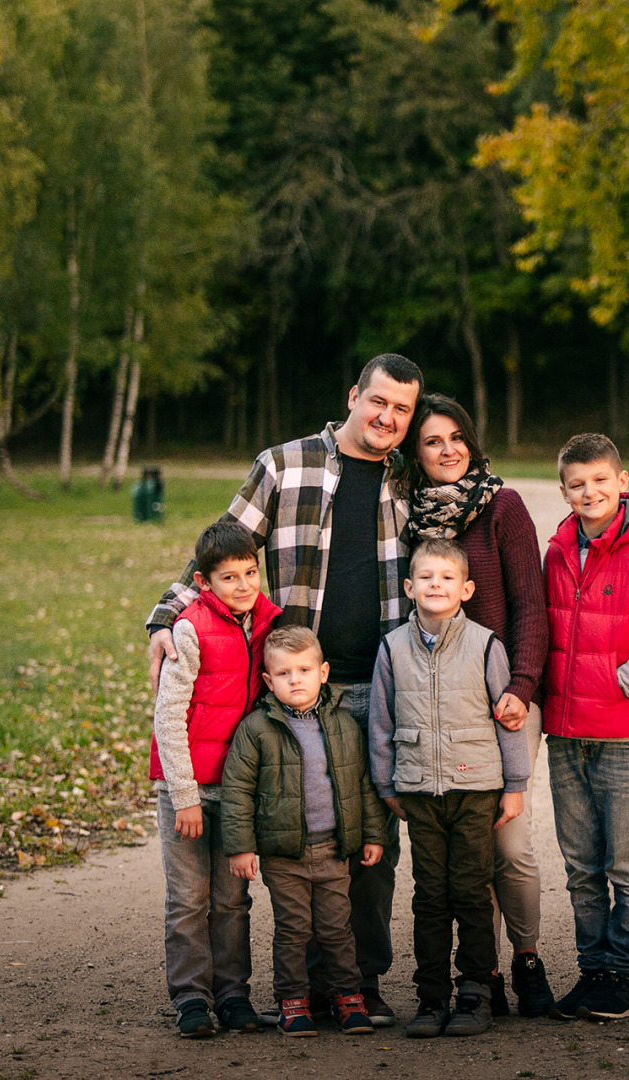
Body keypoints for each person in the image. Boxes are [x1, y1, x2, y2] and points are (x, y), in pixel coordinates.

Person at [146, 352, 422, 1026]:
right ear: (354, 395)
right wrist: (164, 615)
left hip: (375, 687)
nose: (387, 418)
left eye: (402, 410)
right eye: (378, 401)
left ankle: (357, 984)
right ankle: (280, 985)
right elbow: (222, 551)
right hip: (301, 692)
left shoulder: (409, 483)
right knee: (295, 846)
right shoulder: (285, 464)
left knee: (368, 852)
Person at [402, 394, 554, 1017]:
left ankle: (526, 957)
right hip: (438, 712)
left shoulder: (503, 507)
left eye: (456, 436)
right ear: (416, 452)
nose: (448, 450)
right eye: (433, 440)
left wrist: (520, 688)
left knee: (506, 843)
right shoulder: (406, 518)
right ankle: (479, 973)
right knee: (462, 852)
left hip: (505, 703)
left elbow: (531, 608)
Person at [542, 433, 629, 1022]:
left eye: (600, 480)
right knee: (580, 865)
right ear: (564, 491)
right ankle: (593, 970)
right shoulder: (556, 553)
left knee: (625, 862)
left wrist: (618, 683)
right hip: (565, 735)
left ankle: (624, 974)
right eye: (577, 484)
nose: (589, 492)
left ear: (622, 482)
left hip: (622, 735)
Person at [367, 540, 531, 1038]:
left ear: (466, 589)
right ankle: (432, 997)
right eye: (426, 577)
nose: (436, 586)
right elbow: (380, 720)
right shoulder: (392, 647)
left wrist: (515, 784)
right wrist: (386, 781)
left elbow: (510, 720)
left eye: (446, 578)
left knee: (471, 892)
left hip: (475, 788)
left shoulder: (485, 644)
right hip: (418, 791)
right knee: (429, 896)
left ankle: (476, 993)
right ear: (409, 587)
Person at [148, 522, 283, 1038]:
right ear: (205, 583)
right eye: (230, 577)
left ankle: (233, 995)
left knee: (232, 899)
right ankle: (191, 999)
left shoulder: (269, 624)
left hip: (237, 792)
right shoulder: (190, 628)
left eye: (251, 573)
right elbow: (169, 716)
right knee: (188, 898)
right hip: (186, 790)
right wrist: (183, 795)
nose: (244, 585)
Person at [220, 626, 388, 1037]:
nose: (295, 680)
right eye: (284, 673)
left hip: (334, 850)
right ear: (267, 681)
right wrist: (241, 847)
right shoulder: (257, 730)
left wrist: (373, 834)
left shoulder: (344, 725)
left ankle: (347, 996)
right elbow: (237, 791)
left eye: (304, 670)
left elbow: (362, 785)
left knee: (336, 928)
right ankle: (293, 1001)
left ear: (323, 672)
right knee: (293, 929)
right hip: (285, 854)